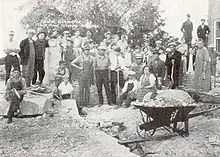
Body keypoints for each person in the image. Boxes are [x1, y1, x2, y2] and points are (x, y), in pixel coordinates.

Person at [71, 44, 94, 111]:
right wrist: (79, 67)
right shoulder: (80, 57)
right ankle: (81, 104)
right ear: (83, 51)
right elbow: (72, 63)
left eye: (88, 50)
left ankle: (87, 103)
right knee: (81, 89)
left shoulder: (91, 58)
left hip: (88, 75)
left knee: (87, 90)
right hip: (81, 75)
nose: (87, 51)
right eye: (86, 50)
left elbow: (92, 67)